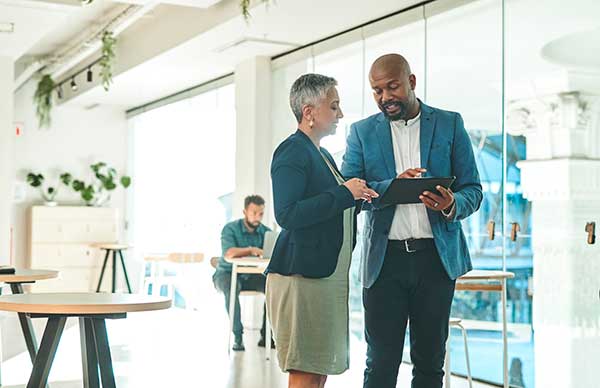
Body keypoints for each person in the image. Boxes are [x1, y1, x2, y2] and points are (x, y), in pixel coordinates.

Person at [341, 53, 483, 388]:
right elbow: (348, 191)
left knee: (431, 362)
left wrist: (451, 204)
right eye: (377, 91)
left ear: (412, 82)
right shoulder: (361, 133)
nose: (385, 97)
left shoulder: (449, 123)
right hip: (384, 262)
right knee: (380, 364)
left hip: (435, 260)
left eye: (392, 87)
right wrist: (392, 188)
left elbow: (473, 189)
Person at [266, 73, 379, 388]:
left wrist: (372, 193)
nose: (340, 114)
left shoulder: (323, 154)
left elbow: (333, 204)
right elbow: (287, 214)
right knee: (305, 367)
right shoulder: (292, 151)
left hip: (323, 276)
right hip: (302, 277)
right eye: (334, 106)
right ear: (309, 112)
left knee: (318, 368)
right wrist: (346, 194)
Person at [212, 195, 272, 351]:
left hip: (252, 275)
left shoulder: (266, 232)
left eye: (261, 213)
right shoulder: (230, 229)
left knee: (272, 287)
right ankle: (238, 337)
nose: (257, 217)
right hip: (226, 273)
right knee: (232, 288)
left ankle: (266, 336)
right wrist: (251, 250)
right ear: (245, 211)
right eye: (254, 212)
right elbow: (229, 253)